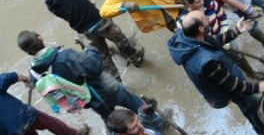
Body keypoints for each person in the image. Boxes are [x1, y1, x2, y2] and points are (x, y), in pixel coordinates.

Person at [17, 31, 166, 130]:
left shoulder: (34, 73)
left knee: (110, 119)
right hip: (106, 88)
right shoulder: (64, 55)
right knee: (135, 103)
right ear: (40, 38)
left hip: (88, 100)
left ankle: (117, 132)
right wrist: (90, 49)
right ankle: (158, 124)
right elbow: (95, 67)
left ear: (27, 52)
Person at [168, 11, 264, 134]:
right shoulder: (207, 63)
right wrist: (258, 87)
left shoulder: (186, 37)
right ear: (201, 28)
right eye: (205, 18)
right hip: (227, 88)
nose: (208, 17)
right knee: (254, 107)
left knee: (248, 106)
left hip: (224, 77)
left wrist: (236, 30)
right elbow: (234, 85)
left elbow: (211, 42)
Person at [37, 0, 145, 80]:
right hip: (100, 22)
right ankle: (135, 58)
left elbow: (70, 11)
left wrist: (86, 4)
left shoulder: (50, 6)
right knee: (120, 40)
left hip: (85, 32)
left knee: (104, 58)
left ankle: (117, 83)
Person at [177, 0, 264, 80]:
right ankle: (236, 80)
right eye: (198, 2)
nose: (202, 3)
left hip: (224, 35)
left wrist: (224, 32)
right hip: (206, 47)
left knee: (238, 55)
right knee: (223, 65)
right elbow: (189, 41)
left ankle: (250, 73)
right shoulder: (183, 21)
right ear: (188, 3)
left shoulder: (210, 3)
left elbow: (222, 17)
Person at [0, 71, 90, 135]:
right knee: (52, 124)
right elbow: (12, 76)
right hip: (27, 114)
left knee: (52, 124)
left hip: (15, 131)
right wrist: (26, 79)